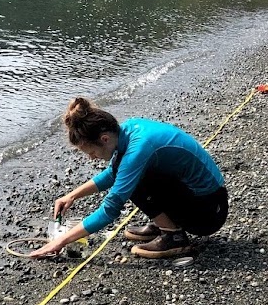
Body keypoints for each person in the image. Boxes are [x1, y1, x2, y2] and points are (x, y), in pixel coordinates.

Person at [30, 97, 228, 260]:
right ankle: (166, 223)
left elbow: (111, 208)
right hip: (203, 198)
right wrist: (72, 196)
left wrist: (60, 241)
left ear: (104, 139)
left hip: (208, 212)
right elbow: (113, 173)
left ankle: (173, 236)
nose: (91, 158)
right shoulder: (129, 129)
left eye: (91, 152)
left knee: (135, 182)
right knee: (127, 172)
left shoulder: (139, 149)